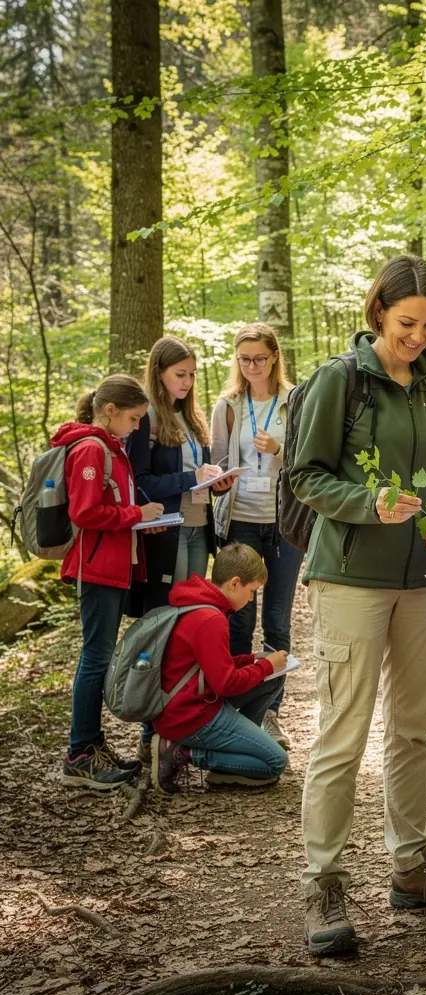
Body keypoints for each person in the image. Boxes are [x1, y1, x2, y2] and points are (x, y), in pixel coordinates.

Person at [290, 254, 426, 957]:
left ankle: (413, 864)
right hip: (349, 578)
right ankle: (323, 881)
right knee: (342, 736)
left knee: (413, 730)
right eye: (406, 323)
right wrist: (368, 504)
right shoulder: (341, 380)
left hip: (422, 576)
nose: (418, 337)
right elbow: (305, 476)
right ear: (378, 314)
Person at [55, 374, 166, 789]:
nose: (136, 427)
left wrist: (140, 519)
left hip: (113, 567)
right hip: (97, 568)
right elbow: (84, 514)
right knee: (95, 659)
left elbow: (112, 507)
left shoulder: (110, 448)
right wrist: (137, 516)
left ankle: (92, 746)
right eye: (134, 419)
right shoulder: (90, 449)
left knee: (98, 657)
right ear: (111, 411)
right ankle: (80, 754)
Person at [211, 323, 301, 751]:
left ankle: (269, 713)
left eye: (259, 358)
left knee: (277, 618)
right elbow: (215, 466)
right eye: (244, 359)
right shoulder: (228, 405)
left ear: (274, 358)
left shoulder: (293, 402)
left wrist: (278, 453)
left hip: (283, 522)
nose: (251, 366)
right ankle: (234, 708)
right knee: (239, 618)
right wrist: (219, 482)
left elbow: (305, 463)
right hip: (241, 520)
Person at [149, 543, 290, 794]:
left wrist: (252, 660)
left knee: (273, 679)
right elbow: (224, 683)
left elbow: (208, 666)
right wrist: (266, 666)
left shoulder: (203, 604)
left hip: (193, 701)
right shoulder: (211, 619)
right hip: (191, 715)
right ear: (235, 583)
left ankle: (231, 753)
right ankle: (182, 752)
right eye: (252, 590)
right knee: (275, 762)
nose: (251, 599)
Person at [128, 335, 225, 619]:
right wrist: (190, 478)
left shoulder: (192, 416)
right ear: (159, 373)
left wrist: (218, 484)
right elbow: (139, 482)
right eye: (180, 374)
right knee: (169, 611)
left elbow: (200, 473)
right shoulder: (146, 416)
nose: (188, 382)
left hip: (201, 524)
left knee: (194, 608)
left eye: (192, 374)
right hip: (169, 528)